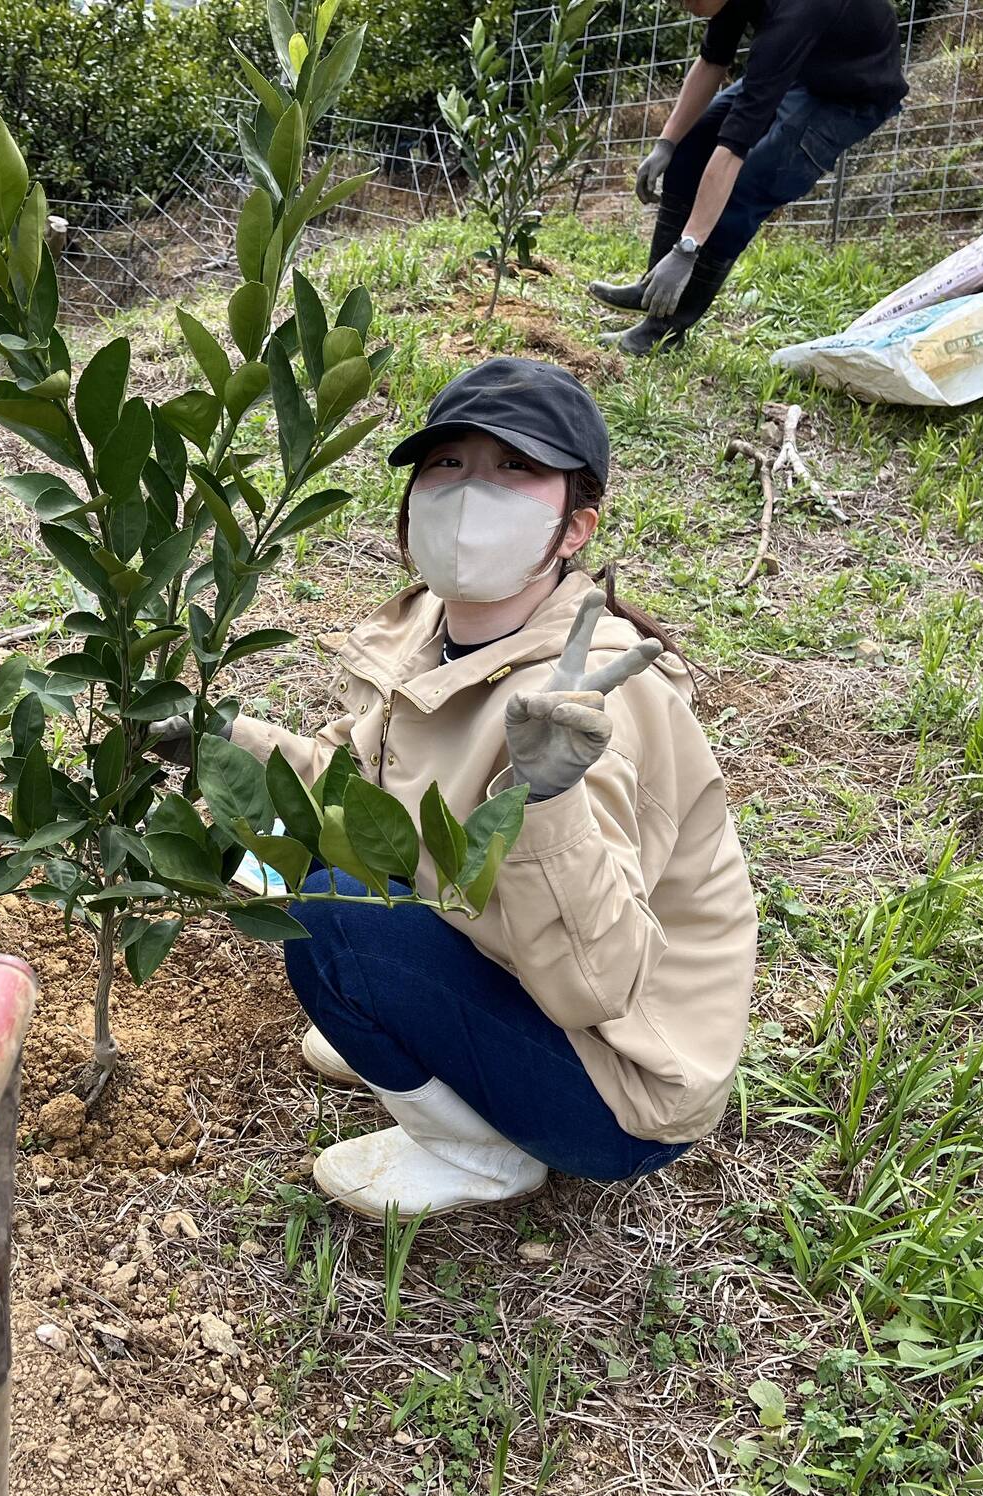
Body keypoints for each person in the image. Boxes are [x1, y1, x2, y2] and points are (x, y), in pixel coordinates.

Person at [229, 358, 758, 1219]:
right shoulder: (423, 632)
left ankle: (481, 1154)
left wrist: (548, 802)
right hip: (504, 959)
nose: (473, 495)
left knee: (331, 914)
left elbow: (598, 984)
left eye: (516, 469)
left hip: (620, 1086)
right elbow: (346, 789)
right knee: (301, 862)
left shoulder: (592, 706)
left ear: (575, 526)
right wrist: (222, 741)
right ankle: (421, 1029)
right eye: (449, 464)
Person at [588, 0, 910, 355]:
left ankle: (662, 332)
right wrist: (667, 143)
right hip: (804, 67)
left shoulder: (794, 14)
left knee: (745, 190)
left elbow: (733, 149)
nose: (677, 3)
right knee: (690, 146)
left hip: (850, 95)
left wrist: (687, 248)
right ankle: (654, 289)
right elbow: (712, 60)